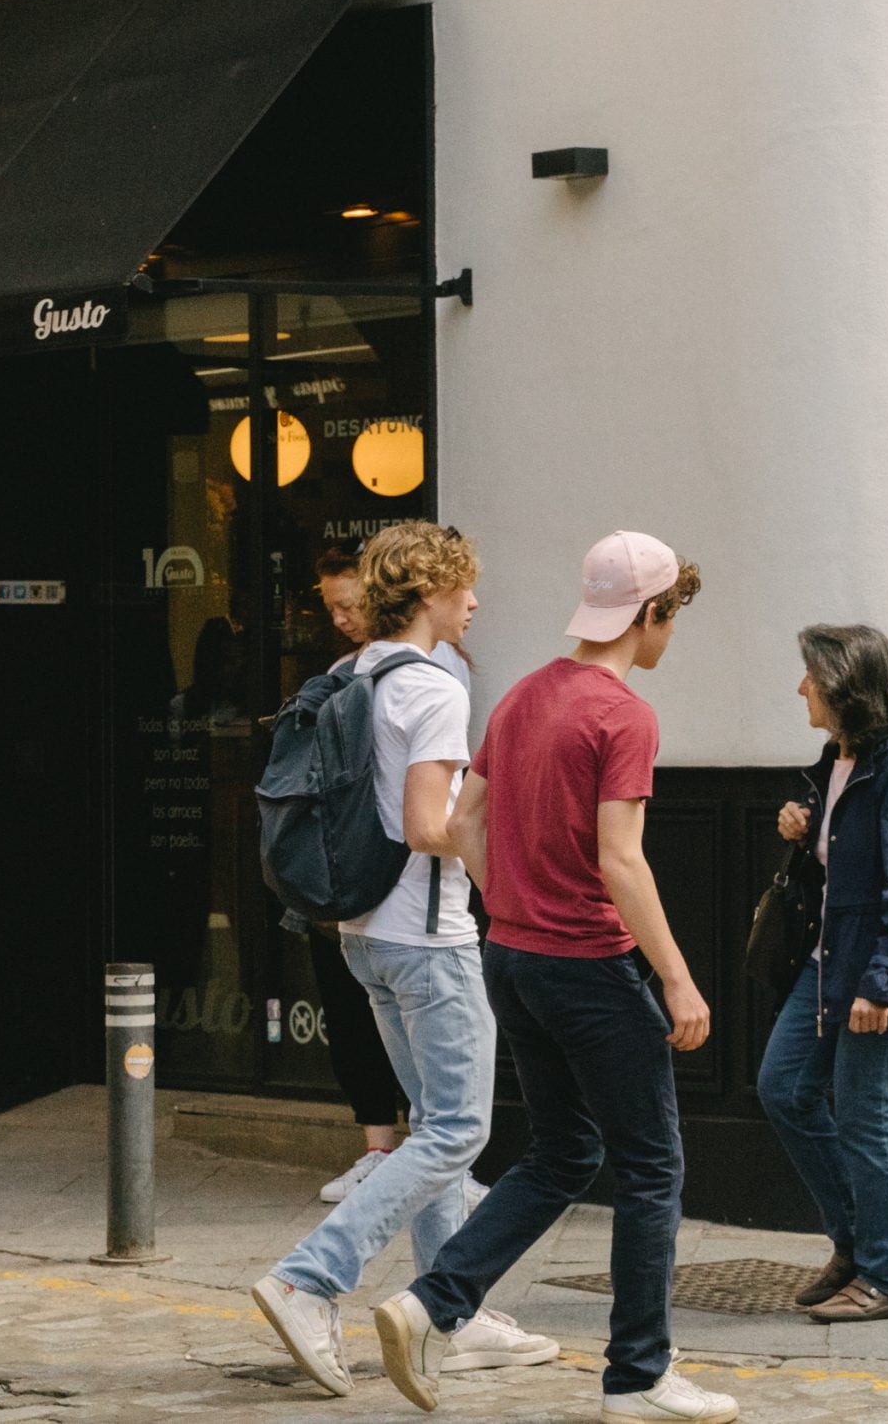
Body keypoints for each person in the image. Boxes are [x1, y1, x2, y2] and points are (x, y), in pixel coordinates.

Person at [372, 532, 733, 1424]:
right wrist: (677, 979)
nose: (670, 634)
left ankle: (432, 1300)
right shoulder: (624, 715)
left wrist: (509, 905)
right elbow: (621, 859)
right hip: (588, 966)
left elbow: (466, 821)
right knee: (651, 1167)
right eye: (671, 618)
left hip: (513, 958)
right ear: (651, 614)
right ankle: (638, 1377)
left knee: (563, 1151)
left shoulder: (523, 695)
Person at [253, 525, 557, 1393]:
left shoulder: (353, 675)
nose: (474, 603)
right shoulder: (432, 686)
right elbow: (428, 825)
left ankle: (449, 1313)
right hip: (428, 941)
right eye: (464, 588)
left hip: (364, 934)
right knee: (460, 1128)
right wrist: (504, 857)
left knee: (434, 1126)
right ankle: (309, 1277)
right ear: (428, 594)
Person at [761, 625, 888, 1323]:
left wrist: (882, 980)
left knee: (867, 1116)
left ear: (844, 686)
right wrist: (804, 823)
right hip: (829, 958)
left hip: (881, 965)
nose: (801, 689)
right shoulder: (837, 759)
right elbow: (843, 851)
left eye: (811, 677)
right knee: (784, 1089)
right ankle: (857, 1244)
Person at [306, 548, 429, 1200]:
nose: (340, 618)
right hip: (343, 872)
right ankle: (380, 1149)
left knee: (420, 1027)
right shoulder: (337, 676)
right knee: (353, 1014)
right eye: (330, 607)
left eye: (348, 604)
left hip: (409, 878)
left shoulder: (429, 671)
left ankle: (434, 1157)